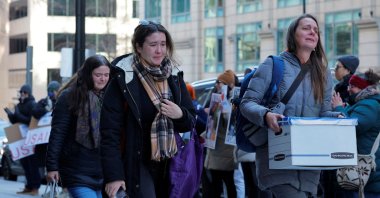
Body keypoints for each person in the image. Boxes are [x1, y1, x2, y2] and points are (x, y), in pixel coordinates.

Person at [240, 14, 342, 198]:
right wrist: (266, 115)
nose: (312, 32)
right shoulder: (273, 64)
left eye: (316, 30)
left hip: (310, 164)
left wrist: (338, 118)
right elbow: (247, 103)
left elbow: (325, 112)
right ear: (292, 34)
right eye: (306, 28)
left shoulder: (324, 73)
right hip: (278, 161)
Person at [100, 20, 195, 198]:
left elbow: (190, 123)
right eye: (153, 45)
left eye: (163, 44)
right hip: (136, 162)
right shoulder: (123, 79)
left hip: (169, 163)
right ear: (138, 47)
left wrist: (180, 114)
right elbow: (109, 133)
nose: (159, 50)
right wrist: (114, 176)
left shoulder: (173, 76)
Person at [46, 54, 111, 198]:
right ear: (88, 74)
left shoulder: (110, 97)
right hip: (76, 171)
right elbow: (57, 134)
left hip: (103, 171)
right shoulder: (69, 97)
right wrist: (52, 167)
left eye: (106, 74)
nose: (103, 79)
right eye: (98, 75)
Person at [331, 69, 380, 198]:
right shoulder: (362, 104)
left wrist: (339, 108)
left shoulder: (369, 105)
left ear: (363, 88)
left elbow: (353, 127)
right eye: (349, 85)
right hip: (363, 173)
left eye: (353, 86)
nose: (348, 89)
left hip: (365, 173)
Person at [202, 69, 237, 198]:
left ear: (229, 85)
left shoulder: (234, 99)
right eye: (217, 82)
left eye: (220, 82)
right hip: (215, 147)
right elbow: (212, 123)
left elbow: (231, 123)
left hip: (226, 148)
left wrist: (225, 108)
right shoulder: (216, 98)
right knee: (215, 183)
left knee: (228, 182)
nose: (217, 85)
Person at [5, 84, 39, 196]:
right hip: (21, 139)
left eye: (25, 92)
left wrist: (18, 115)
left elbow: (31, 120)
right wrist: (10, 115)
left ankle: (35, 187)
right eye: (22, 92)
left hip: (30, 138)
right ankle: (29, 186)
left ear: (28, 93)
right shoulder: (19, 105)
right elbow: (16, 121)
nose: (23, 94)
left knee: (32, 164)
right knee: (24, 163)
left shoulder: (32, 104)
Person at [32, 81, 61, 172]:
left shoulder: (62, 101)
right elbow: (35, 112)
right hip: (43, 141)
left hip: (55, 138)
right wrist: (45, 109)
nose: (52, 93)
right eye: (50, 91)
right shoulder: (43, 102)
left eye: (54, 91)